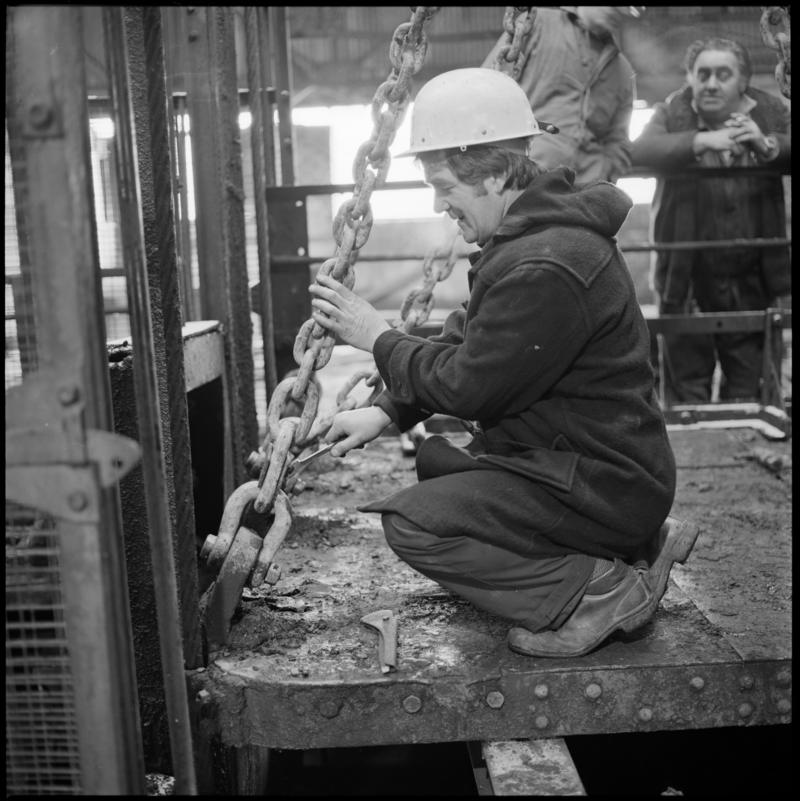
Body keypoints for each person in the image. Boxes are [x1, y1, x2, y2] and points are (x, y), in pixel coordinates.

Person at [308, 67, 692, 658]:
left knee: (416, 525)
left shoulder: (546, 265)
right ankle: (626, 550)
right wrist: (386, 412)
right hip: (590, 466)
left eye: (445, 187)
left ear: (492, 173)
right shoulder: (531, 244)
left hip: (602, 483)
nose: (440, 206)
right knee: (447, 477)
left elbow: (470, 387)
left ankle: (600, 592)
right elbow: (469, 343)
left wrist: (376, 336)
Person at [631, 37, 791, 403]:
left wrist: (767, 144)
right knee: (687, 394)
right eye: (702, 74)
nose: (711, 84)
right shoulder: (672, 111)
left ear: (743, 81)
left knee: (752, 393)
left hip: (754, 278)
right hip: (685, 279)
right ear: (690, 78)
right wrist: (703, 141)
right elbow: (637, 150)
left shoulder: (770, 111)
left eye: (723, 74)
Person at [482, 6, 641, 184]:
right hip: (523, 182)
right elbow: (486, 89)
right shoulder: (537, 25)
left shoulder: (622, 71)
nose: (619, 11)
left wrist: (603, 175)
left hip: (582, 194)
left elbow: (619, 140)